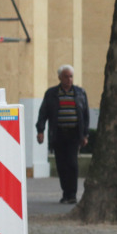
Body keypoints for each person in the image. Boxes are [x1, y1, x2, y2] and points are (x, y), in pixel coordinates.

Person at [36, 64, 89, 204]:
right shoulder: (52, 93)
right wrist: (40, 130)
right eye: (66, 76)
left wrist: (85, 135)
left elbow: (85, 115)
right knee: (61, 165)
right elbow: (43, 113)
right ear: (60, 77)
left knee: (72, 163)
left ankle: (72, 194)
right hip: (58, 133)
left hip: (73, 134)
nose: (69, 79)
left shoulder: (80, 93)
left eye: (71, 76)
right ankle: (66, 193)